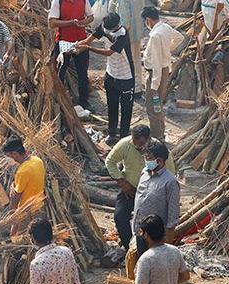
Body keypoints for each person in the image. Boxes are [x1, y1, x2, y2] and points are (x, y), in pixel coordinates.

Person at [105, 125, 177, 251]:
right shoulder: (125, 144)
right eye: (135, 144)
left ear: (148, 139)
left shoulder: (158, 150)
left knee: (151, 226)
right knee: (120, 217)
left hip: (153, 194)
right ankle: (130, 248)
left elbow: (169, 176)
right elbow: (110, 161)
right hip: (130, 189)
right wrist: (123, 182)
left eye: (141, 145)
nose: (138, 147)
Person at [76, 13, 135, 144]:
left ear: (116, 26)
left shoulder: (122, 34)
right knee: (112, 106)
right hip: (110, 75)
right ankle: (112, 133)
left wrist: (88, 48)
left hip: (125, 77)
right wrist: (76, 45)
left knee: (126, 110)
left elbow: (109, 52)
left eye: (109, 30)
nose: (106, 32)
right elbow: (88, 40)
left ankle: (124, 138)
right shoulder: (104, 27)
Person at [126, 141, 180, 279]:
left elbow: (173, 214)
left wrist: (168, 240)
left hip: (156, 235)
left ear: (160, 160)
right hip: (140, 228)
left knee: (155, 267)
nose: (146, 161)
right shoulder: (144, 173)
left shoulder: (170, 182)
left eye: (149, 159)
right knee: (140, 262)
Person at [141, 7, 183, 141]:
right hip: (164, 70)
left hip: (156, 74)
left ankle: (157, 137)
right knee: (157, 105)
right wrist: (167, 50)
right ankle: (161, 132)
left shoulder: (154, 36)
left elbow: (156, 64)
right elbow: (180, 37)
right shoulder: (164, 27)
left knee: (152, 108)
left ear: (148, 20)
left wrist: (154, 86)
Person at [49, 0, 93, 109]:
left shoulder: (83, 1)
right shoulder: (58, 1)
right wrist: (70, 23)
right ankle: (58, 102)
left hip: (81, 40)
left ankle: (84, 102)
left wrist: (82, 22)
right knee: (60, 73)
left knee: (82, 73)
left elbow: (91, 17)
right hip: (64, 41)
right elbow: (52, 22)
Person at [2, 138, 46, 211]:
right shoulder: (37, 160)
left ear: (15, 154)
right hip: (39, 204)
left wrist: (12, 213)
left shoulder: (22, 171)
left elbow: (16, 198)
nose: (7, 159)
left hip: (27, 210)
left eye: (8, 156)